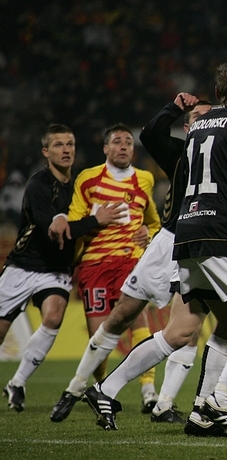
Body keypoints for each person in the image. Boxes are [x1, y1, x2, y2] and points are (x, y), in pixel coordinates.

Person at [84, 57, 227, 438]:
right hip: (223, 234)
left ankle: (116, 391)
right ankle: (220, 400)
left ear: (216, 92)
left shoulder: (197, 128)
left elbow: (162, 144)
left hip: (187, 233)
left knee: (193, 328)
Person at [49, 95, 212, 424]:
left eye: (211, 118)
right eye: (198, 118)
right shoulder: (179, 153)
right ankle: (78, 388)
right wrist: (174, 107)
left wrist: (146, 231)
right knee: (122, 317)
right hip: (159, 247)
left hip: (194, 247)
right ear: (186, 127)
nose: (206, 123)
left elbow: (150, 217)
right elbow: (151, 134)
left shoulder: (220, 156)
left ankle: (160, 402)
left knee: (188, 328)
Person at [1, 125, 122, 412]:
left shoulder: (80, 186)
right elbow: (56, 231)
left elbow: (94, 222)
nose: (66, 150)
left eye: (70, 144)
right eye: (58, 145)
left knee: (54, 316)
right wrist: (95, 221)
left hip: (56, 271)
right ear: (46, 152)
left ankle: (17, 383)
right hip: (22, 267)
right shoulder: (38, 185)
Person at [56, 124, 161, 414]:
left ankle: (149, 391)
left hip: (131, 262)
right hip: (95, 265)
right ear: (105, 148)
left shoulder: (144, 180)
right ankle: (101, 389)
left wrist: (148, 232)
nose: (124, 146)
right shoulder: (88, 179)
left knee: (140, 324)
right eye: (117, 141)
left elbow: (154, 222)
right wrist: (96, 220)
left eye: (128, 142)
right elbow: (73, 225)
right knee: (100, 338)